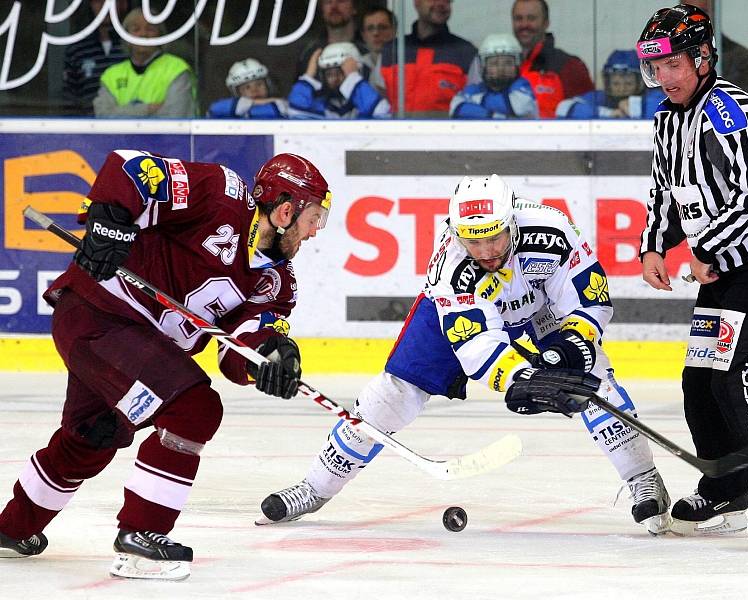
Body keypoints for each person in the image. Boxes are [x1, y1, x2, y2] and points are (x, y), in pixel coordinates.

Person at [258, 174, 673, 536]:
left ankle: (643, 478)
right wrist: (520, 380)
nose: (487, 250)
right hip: (460, 318)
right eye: (474, 241)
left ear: (512, 223)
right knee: (390, 397)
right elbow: (476, 344)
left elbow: (590, 297)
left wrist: (573, 345)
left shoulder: (553, 229)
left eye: (495, 236)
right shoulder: (451, 265)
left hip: (541, 310)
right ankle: (315, 488)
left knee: (594, 378)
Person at [0, 151, 333, 577]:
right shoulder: (220, 194)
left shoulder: (277, 283)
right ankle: (141, 537)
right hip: (97, 313)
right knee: (194, 408)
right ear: (286, 210)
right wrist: (108, 222)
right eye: (313, 220)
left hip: (129, 343)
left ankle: (11, 530)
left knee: (92, 436)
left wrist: (267, 359)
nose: (313, 233)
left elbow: (239, 347)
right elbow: (133, 169)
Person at [637, 4, 748, 550]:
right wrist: (654, 245)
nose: (663, 77)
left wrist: (705, 247)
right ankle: (726, 489)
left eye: (673, 65)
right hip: (724, 267)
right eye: (654, 67)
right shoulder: (668, 117)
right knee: (701, 384)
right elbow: (667, 192)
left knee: (740, 377)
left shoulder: (733, 111)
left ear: (704, 58)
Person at [373, 0, 477, 117]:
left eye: (447, 0)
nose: (442, 4)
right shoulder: (392, 50)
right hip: (397, 133)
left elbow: (476, 104)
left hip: (447, 134)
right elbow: (377, 106)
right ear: (416, 2)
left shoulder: (465, 51)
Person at [93, 8, 196, 117]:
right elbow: (103, 116)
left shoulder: (176, 69)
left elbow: (176, 117)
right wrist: (148, 109)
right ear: (126, 37)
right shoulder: (111, 75)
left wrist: (122, 112)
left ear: (160, 35)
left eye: (150, 29)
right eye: (136, 29)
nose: (143, 34)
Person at [511, 0, 594, 118]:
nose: (524, 25)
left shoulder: (569, 66)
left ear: (546, 23)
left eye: (531, 18)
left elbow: (588, 119)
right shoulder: (503, 65)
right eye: (519, 18)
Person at [288, 42, 389, 119]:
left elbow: (381, 111)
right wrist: (309, 76)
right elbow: (296, 111)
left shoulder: (365, 102)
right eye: (329, 74)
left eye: (341, 73)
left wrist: (352, 78)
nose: (334, 79)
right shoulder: (321, 106)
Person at [63, 0, 129, 115]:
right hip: (88, 129)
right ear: (90, 5)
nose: (105, 6)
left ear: (123, 4)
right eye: (99, 1)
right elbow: (70, 102)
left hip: (131, 125)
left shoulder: (134, 46)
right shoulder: (77, 50)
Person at [556, 50, 665, 119]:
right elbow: (564, 107)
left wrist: (634, 105)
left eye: (628, 83)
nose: (622, 88)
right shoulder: (600, 97)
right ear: (607, 82)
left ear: (641, 81)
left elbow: (671, 108)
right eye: (616, 83)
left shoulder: (652, 96)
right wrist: (609, 114)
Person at [450, 33, 538, 119]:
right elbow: (456, 108)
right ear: (483, 66)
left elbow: (516, 106)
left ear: (518, 64)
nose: (501, 69)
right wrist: (493, 116)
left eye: (508, 63)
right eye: (494, 63)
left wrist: (477, 102)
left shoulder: (523, 85)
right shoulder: (475, 88)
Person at [682, 0, 748, 92]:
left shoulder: (740, 56)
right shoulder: (666, 53)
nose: (694, 19)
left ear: (714, 13)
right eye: (688, 13)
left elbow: (733, 101)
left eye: (703, 11)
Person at [295, 0, 367, 80]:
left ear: (354, 7)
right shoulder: (308, 54)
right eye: (328, 1)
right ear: (322, 8)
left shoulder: (369, 49)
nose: (333, 6)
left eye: (341, 1)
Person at [208, 58, 287, 119]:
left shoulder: (280, 108)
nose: (254, 90)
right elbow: (214, 109)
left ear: (268, 85)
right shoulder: (227, 109)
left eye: (259, 84)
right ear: (237, 92)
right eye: (247, 87)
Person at [359, 5, 396, 73]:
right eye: (370, 28)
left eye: (382, 27)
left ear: (394, 31)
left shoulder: (404, 63)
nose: (376, 33)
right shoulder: (358, 66)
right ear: (363, 35)